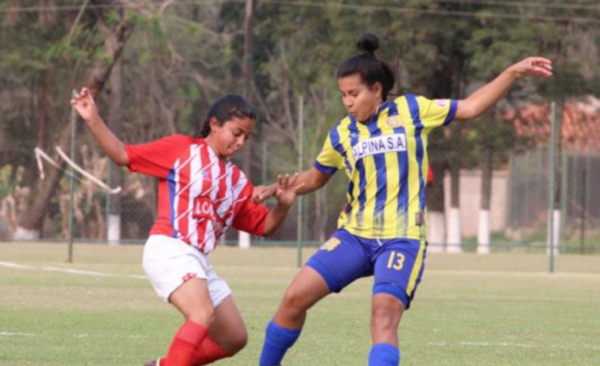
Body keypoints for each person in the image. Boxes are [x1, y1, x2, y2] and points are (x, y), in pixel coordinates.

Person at [254, 34, 552, 366]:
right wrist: (283, 188)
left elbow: (470, 107)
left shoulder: (412, 109)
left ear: (377, 89)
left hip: (402, 238)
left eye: (354, 94)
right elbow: (316, 176)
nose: (348, 102)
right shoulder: (341, 134)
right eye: (343, 96)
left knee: (383, 314)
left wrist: (512, 72)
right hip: (354, 235)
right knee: (294, 297)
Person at [70, 88, 303, 366]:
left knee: (234, 337)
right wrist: (92, 117)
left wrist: (284, 205)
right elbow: (122, 154)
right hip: (169, 247)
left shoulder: (237, 181)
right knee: (201, 314)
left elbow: (265, 226)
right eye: (236, 132)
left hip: (198, 260)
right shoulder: (181, 149)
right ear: (214, 124)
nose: (241, 142)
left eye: (247, 137)